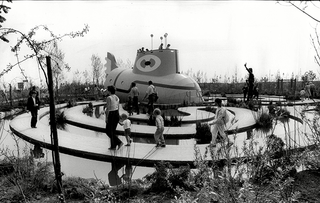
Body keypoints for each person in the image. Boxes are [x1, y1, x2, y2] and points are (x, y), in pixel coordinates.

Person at [104, 85, 123, 150]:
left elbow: (108, 108)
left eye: (107, 90)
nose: (106, 91)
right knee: (112, 131)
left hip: (111, 114)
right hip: (116, 114)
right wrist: (119, 115)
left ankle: (119, 142)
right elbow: (118, 107)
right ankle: (113, 146)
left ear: (109, 91)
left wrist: (106, 118)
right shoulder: (117, 97)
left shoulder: (109, 98)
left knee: (108, 131)